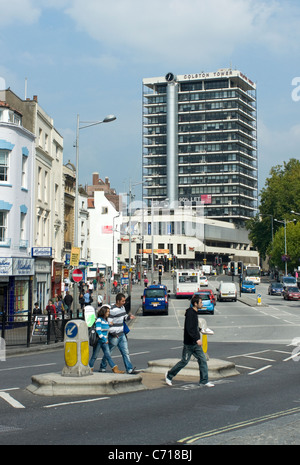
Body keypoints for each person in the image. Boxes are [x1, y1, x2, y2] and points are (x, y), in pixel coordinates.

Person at [165, 295, 214, 388]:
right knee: (184, 362)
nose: (202, 304)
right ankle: (169, 375)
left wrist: (200, 329)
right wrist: (197, 339)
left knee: (202, 360)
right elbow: (189, 328)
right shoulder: (190, 313)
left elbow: (193, 327)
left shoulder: (194, 313)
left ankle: (204, 381)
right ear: (195, 304)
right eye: (200, 302)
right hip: (189, 344)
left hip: (195, 344)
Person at [99, 293, 137, 374]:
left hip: (122, 334)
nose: (124, 302)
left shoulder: (122, 307)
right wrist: (112, 332)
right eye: (123, 301)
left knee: (125, 352)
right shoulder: (112, 310)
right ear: (118, 301)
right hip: (114, 336)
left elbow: (123, 317)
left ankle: (129, 369)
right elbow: (108, 323)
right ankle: (102, 366)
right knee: (109, 352)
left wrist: (129, 317)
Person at [89, 305, 124, 373]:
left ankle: (114, 368)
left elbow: (106, 330)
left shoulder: (105, 320)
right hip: (99, 341)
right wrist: (104, 339)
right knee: (95, 356)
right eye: (107, 312)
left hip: (104, 341)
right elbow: (98, 331)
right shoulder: (99, 320)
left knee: (108, 355)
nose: (109, 313)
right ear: (104, 312)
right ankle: (90, 367)